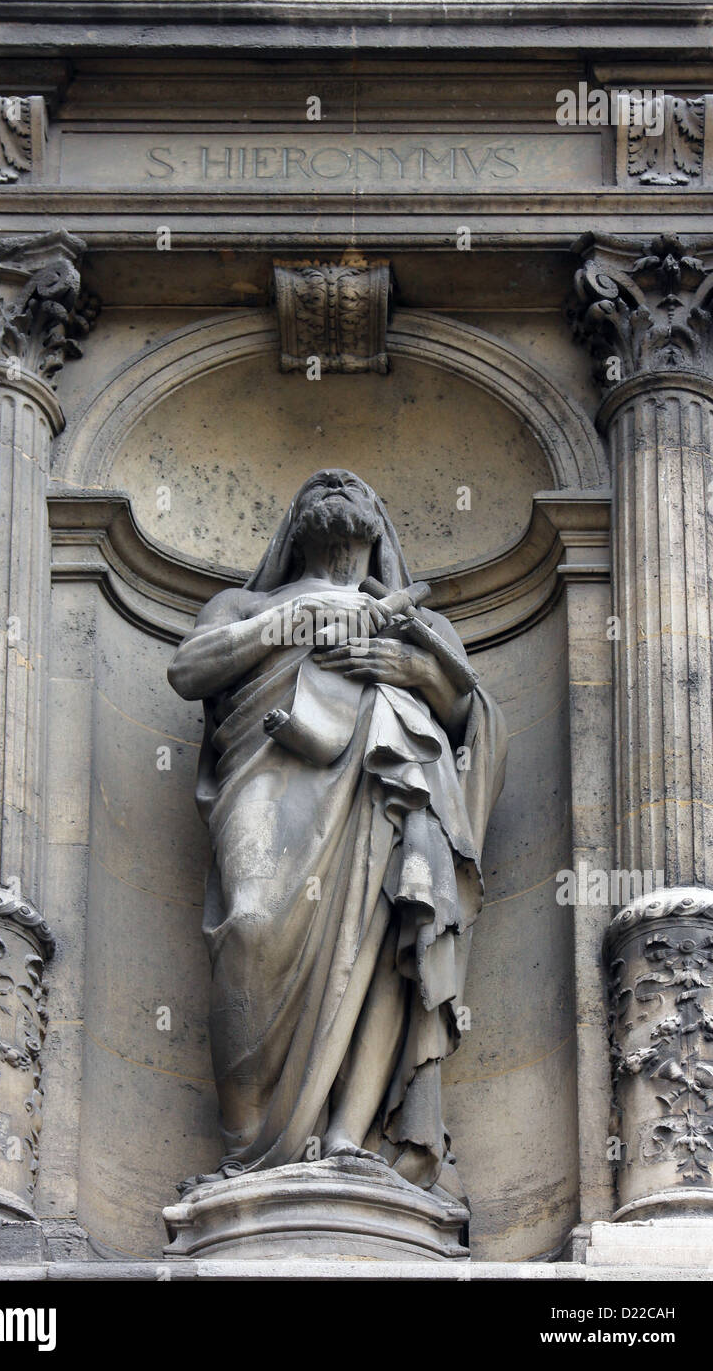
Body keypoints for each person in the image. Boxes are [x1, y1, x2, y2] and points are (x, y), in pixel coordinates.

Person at [168, 468, 506, 1192]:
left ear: (380, 531)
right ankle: (251, 1153)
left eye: (358, 490)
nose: (338, 484)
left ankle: (350, 1132)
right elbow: (190, 669)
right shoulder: (244, 602)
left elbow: (473, 718)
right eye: (320, 486)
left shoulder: (413, 620)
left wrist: (411, 664)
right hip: (273, 773)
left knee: (387, 938)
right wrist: (290, 623)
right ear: (293, 528)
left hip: (391, 786)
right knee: (252, 926)